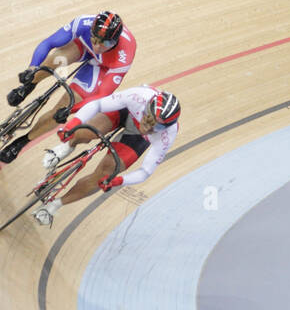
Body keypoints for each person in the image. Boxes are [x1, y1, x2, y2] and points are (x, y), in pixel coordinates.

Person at [32, 84, 180, 227]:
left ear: (167, 127)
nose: (149, 128)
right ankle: (67, 147)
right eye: (148, 119)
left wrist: (117, 181)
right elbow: (97, 105)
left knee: (104, 175)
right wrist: (71, 126)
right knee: (87, 131)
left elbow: (145, 172)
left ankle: (55, 205)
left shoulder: (167, 135)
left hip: (137, 138)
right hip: (124, 112)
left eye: (158, 127)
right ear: (146, 107)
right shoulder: (138, 96)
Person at [0, 11, 136, 163]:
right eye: (95, 39)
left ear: (115, 41)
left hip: (103, 67)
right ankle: (30, 85)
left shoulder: (124, 56)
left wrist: (70, 110)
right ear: (91, 30)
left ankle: (22, 141)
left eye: (106, 43)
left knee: (63, 107)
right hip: (83, 47)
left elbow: (101, 96)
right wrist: (32, 68)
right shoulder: (83, 23)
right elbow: (49, 43)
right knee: (56, 59)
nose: (98, 46)